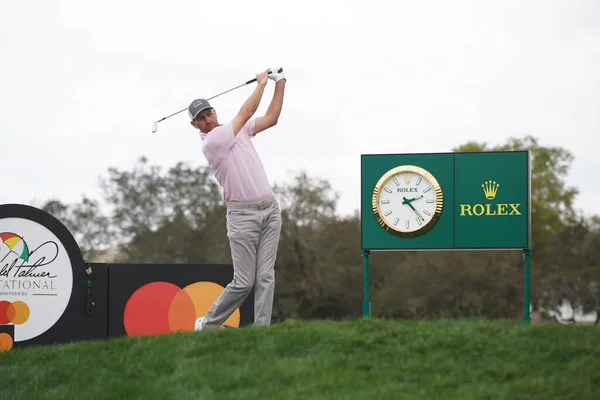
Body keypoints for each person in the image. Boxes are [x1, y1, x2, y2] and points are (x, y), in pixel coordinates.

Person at [188, 68, 286, 331]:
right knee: (244, 282)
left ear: (214, 112)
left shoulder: (237, 131)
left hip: (270, 210)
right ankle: (207, 325)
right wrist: (261, 84)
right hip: (242, 216)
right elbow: (246, 113)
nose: (207, 119)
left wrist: (280, 82)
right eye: (201, 118)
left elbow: (272, 118)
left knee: (266, 276)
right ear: (194, 125)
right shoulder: (212, 141)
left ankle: (261, 332)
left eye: (209, 113)